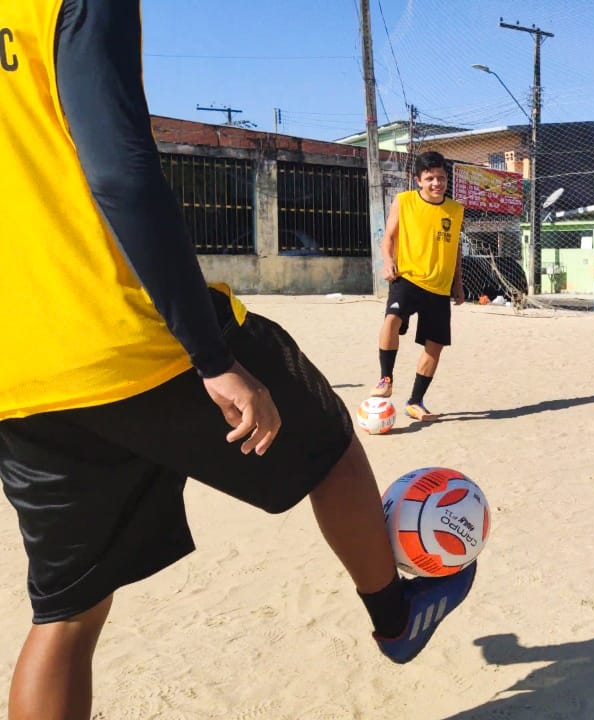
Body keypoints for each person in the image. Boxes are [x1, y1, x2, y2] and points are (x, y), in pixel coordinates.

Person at [0, 2, 476, 717]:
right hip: (125, 330)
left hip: (16, 367)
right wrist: (211, 355)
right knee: (332, 447)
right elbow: (121, 171)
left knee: (67, 613)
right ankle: (396, 619)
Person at [369, 152, 466, 422]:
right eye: (430, 178)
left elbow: (455, 248)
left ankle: (415, 401)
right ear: (418, 181)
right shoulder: (404, 202)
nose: (437, 183)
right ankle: (385, 378)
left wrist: (458, 283)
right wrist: (388, 262)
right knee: (391, 320)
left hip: (439, 287)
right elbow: (388, 237)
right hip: (408, 278)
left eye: (441, 178)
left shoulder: (455, 210)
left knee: (434, 346)